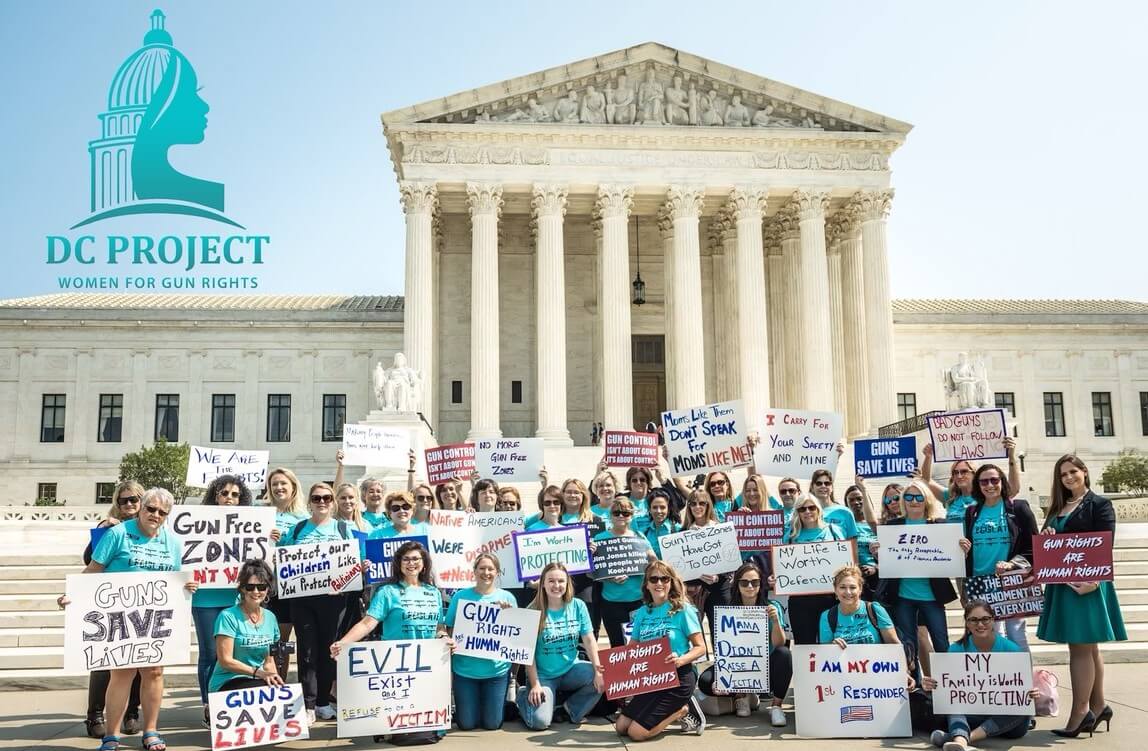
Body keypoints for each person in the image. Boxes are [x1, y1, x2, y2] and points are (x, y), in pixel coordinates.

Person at [60, 487, 197, 751]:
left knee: (154, 672)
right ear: (142, 507)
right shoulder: (117, 534)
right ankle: (111, 735)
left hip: (155, 619)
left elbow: (176, 578)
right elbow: (94, 569)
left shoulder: (172, 542)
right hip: (122, 617)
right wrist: (72, 594)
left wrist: (187, 587)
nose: (155, 515)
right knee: (122, 673)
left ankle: (151, 731)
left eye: (162, 512)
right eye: (150, 509)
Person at [1037, 455, 1126, 737]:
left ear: (1084, 472)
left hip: (1088, 585)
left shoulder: (1100, 504)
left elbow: (1105, 544)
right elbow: (1047, 544)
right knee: (1089, 648)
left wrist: (1096, 580)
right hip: (1063, 584)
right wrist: (1048, 532)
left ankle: (1080, 711)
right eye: (1063, 474)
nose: (1068, 477)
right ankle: (1099, 706)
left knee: (1080, 648)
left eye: (1073, 471)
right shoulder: (1058, 507)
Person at [333, 541, 447, 743]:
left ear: (424, 563)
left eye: (415, 559)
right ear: (398, 563)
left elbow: (439, 628)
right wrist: (343, 642)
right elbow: (368, 623)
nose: (411, 563)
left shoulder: (434, 592)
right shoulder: (387, 592)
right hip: (396, 665)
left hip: (427, 665)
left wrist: (445, 638)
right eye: (406, 559)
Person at [280, 483, 354, 724]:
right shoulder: (298, 528)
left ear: (333, 502)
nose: (322, 502)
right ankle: (309, 704)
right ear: (310, 502)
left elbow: (352, 561)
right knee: (308, 651)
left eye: (327, 498)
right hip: (302, 599)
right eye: (316, 498)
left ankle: (323, 701)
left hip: (334, 600)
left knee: (329, 649)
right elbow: (282, 557)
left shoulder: (343, 528)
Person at [923, 600, 1037, 751]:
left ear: (993, 620)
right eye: (974, 620)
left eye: (985, 619)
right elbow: (949, 689)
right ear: (967, 623)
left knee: (1021, 709)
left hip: (1009, 724)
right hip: (972, 716)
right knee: (952, 703)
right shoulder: (956, 649)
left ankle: (961, 739)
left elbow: (1022, 688)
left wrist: (1030, 693)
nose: (980, 624)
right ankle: (959, 738)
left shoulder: (1011, 649)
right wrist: (932, 685)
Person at [615, 561, 708, 740]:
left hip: (678, 677)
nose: (659, 583)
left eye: (664, 578)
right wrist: (613, 666)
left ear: (671, 582)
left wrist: (680, 659)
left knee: (636, 732)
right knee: (621, 726)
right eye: (654, 579)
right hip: (653, 679)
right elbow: (632, 648)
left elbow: (701, 647)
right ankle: (674, 710)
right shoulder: (642, 612)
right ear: (647, 584)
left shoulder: (682, 610)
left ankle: (681, 711)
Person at [81, 481, 144, 739]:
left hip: (144, 601)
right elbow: (89, 560)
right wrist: (101, 529)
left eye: (134, 499)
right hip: (111, 601)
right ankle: (95, 715)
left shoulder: (150, 527)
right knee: (104, 661)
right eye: (123, 500)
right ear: (117, 503)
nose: (129, 504)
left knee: (141, 659)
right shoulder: (109, 528)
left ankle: (131, 713)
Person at [873, 480, 960, 662]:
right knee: (909, 644)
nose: (914, 501)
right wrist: (877, 553)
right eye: (909, 497)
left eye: (919, 496)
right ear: (904, 501)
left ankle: (948, 684)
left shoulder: (939, 525)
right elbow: (888, 559)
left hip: (932, 596)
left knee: (941, 642)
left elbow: (952, 558)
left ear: (926, 499)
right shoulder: (892, 527)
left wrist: (962, 549)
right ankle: (917, 687)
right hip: (904, 596)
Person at [192, 475, 254, 726]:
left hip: (234, 598)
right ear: (215, 496)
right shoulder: (196, 521)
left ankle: (230, 701)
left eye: (235, 494)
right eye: (224, 493)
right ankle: (209, 705)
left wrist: (271, 536)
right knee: (209, 654)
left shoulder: (250, 523)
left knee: (233, 653)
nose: (229, 498)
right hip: (205, 598)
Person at [697, 562, 790, 725]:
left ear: (760, 585)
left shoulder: (771, 607)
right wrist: (724, 679)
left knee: (784, 654)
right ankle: (741, 695)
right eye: (744, 582)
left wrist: (775, 621)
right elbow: (725, 650)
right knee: (706, 682)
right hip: (739, 667)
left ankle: (776, 707)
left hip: (765, 668)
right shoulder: (727, 610)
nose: (749, 586)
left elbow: (779, 643)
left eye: (754, 582)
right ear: (736, 584)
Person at [517, 562, 604, 729]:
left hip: (571, 668)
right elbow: (527, 653)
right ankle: (523, 696)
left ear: (567, 583)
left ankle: (570, 709)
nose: (556, 585)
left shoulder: (578, 605)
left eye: (561, 581)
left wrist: (598, 671)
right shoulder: (533, 609)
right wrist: (534, 684)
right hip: (543, 676)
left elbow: (589, 639)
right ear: (542, 583)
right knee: (540, 723)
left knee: (603, 676)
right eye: (551, 581)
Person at [962, 463, 1038, 650]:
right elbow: (968, 547)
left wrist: (1012, 564)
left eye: (994, 480)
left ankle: (1023, 678)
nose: (989, 485)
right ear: (978, 485)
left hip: (1011, 581)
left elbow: (1033, 546)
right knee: (989, 636)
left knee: (1016, 635)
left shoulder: (1018, 508)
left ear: (1002, 482)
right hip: (980, 582)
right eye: (984, 481)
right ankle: (999, 678)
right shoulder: (971, 512)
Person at [445, 554, 517, 730]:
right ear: (474, 571)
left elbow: (517, 638)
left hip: (496, 672)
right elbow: (447, 628)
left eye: (491, 569)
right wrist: (448, 639)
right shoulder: (460, 596)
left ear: (498, 572)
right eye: (482, 568)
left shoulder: (508, 598)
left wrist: (509, 615)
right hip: (465, 671)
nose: (486, 573)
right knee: (466, 724)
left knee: (492, 724)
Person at [818, 566, 915, 690]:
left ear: (860, 589)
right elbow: (824, 656)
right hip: (844, 682)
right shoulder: (827, 616)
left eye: (853, 587)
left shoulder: (875, 609)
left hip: (879, 679)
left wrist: (903, 673)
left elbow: (894, 645)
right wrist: (832, 647)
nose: (848, 592)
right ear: (835, 590)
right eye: (842, 587)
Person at [209, 560, 284, 693]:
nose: (256, 592)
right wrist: (258, 673)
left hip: (259, 679)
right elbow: (225, 661)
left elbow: (269, 662)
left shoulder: (271, 618)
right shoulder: (227, 616)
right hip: (229, 680)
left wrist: (275, 680)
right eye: (250, 587)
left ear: (268, 589)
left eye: (261, 587)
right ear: (242, 588)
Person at [592, 498, 655, 646]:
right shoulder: (599, 539)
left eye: (625, 513)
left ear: (631, 516)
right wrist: (608, 577)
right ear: (610, 515)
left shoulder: (639, 537)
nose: (621, 516)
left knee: (641, 644)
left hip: (638, 602)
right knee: (618, 645)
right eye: (617, 512)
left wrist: (652, 559)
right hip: (611, 602)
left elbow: (654, 565)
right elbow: (592, 573)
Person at [783, 494, 845, 644]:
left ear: (818, 509)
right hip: (800, 600)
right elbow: (783, 566)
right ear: (797, 512)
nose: (807, 512)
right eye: (802, 508)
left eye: (811, 507)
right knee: (805, 645)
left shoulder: (834, 531)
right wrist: (777, 576)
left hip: (830, 597)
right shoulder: (790, 536)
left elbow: (844, 563)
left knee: (831, 644)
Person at [265, 467, 307, 679]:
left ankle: (302, 687)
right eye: (274, 484)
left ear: (293, 487)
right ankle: (276, 684)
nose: (279, 488)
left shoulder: (304, 517)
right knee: (276, 641)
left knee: (294, 640)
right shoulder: (259, 512)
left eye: (283, 484)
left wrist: (285, 540)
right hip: (265, 586)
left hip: (294, 585)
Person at [921, 438, 1020, 521]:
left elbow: (1013, 489)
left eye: (964, 472)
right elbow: (926, 480)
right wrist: (928, 457)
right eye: (955, 473)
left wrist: (1011, 457)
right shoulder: (950, 496)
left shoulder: (986, 494)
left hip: (980, 543)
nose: (959, 476)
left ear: (974, 474)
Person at [680, 489, 732, 643]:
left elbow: (731, 561)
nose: (697, 507)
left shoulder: (721, 528)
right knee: (692, 635)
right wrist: (695, 575)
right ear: (688, 507)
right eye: (693, 504)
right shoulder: (682, 533)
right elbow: (679, 567)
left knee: (723, 635)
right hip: (693, 591)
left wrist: (717, 576)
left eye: (701, 503)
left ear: (708, 505)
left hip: (719, 589)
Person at [809, 468, 860, 539]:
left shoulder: (845, 512)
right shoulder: (806, 512)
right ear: (812, 487)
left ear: (832, 487)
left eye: (827, 483)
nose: (823, 486)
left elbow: (852, 540)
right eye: (819, 483)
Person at [640, 488, 681, 558]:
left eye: (662, 507)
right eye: (655, 507)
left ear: (668, 510)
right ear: (649, 510)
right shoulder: (644, 533)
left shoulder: (678, 530)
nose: (659, 511)